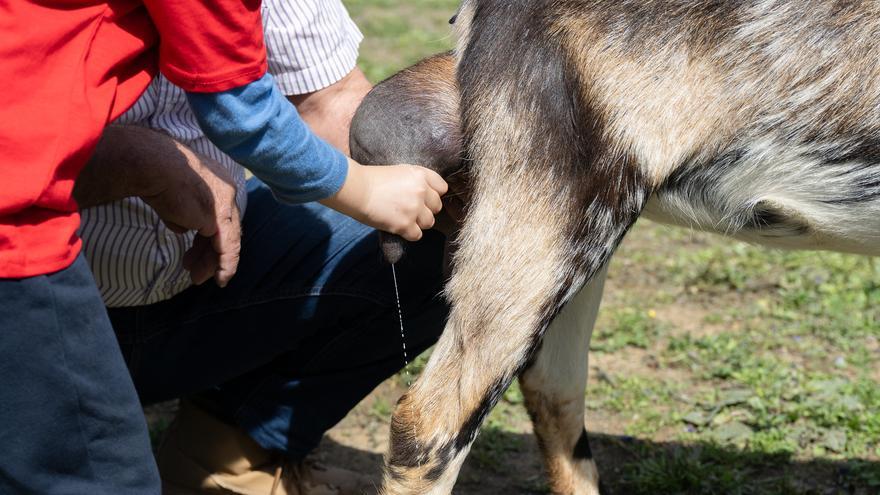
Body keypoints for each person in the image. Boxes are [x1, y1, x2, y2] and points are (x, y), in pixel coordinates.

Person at [0, 1, 446, 493]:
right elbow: (242, 111)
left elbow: (328, 98)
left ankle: (224, 457)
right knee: (106, 480)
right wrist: (361, 189)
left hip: (191, 278)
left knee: (441, 245)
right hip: (34, 279)